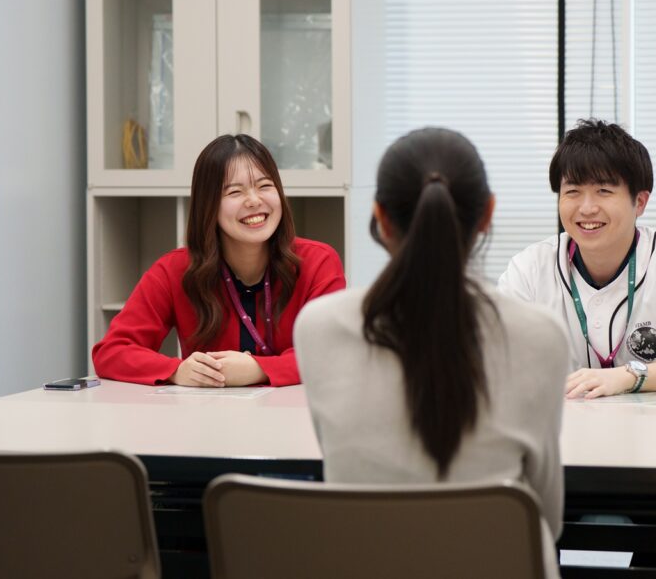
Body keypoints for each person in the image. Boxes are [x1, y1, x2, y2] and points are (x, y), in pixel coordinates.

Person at [295, 128, 569, 577]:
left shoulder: (317, 327)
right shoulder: (540, 335)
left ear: (380, 217)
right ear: (487, 215)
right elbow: (547, 518)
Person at [498, 118, 656, 569]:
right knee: (508, 513)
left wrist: (627, 376)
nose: (586, 208)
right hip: (561, 459)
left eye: (604, 192)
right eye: (572, 191)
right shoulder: (530, 268)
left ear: (640, 201)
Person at [92, 134, 345, 387]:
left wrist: (259, 369)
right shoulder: (175, 270)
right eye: (235, 191)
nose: (255, 201)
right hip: (208, 419)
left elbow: (333, 352)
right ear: (208, 206)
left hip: (296, 419)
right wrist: (177, 371)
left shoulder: (318, 262)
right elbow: (111, 352)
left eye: (265, 186)